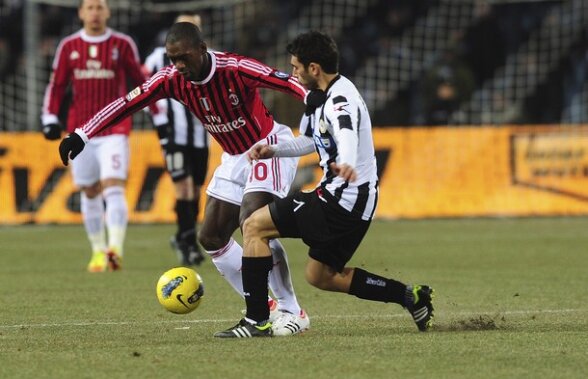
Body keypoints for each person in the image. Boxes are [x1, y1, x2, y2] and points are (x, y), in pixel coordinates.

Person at [58, 22, 310, 336]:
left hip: (268, 147)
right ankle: (263, 305)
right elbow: (128, 103)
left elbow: (285, 81)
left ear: (202, 50)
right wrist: (81, 134)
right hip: (234, 157)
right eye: (172, 59)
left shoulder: (235, 68)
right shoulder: (171, 80)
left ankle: (291, 310)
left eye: (184, 58)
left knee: (253, 223)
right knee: (212, 237)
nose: (178, 66)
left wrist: (318, 104)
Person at [214, 31, 435, 338]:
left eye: (296, 67)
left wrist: (344, 161)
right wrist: (274, 149)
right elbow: (311, 140)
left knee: (253, 226)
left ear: (313, 68)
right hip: (353, 202)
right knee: (321, 276)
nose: (292, 73)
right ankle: (410, 296)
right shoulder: (320, 96)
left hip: (340, 199)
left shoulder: (339, 99)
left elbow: (346, 131)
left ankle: (257, 320)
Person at [41, 0, 149, 272]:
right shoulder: (68, 47)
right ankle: (98, 251)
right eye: (90, 7)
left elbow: (142, 83)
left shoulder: (122, 44)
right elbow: (56, 86)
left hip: (115, 129)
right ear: (80, 13)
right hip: (80, 131)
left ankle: (115, 249)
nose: (95, 12)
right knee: (89, 191)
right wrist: (50, 118)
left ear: (108, 12)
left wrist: (159, 115)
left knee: (113, 186)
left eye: (100, 7)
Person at [143, 14, 209, 266]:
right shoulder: (156, 59)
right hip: (173, 135)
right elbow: (148, 97)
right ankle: (190, 243)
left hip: (201, 136)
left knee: (194, 190)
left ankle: (183, 235)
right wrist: (162, 131)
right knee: (183, 186)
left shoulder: (207, 57)